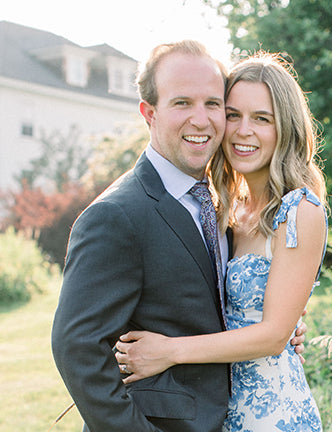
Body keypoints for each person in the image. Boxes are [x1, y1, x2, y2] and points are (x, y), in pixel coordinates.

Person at [51, 41, 306, 432]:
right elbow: (78, 350)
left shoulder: (221, 204)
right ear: (149, 113)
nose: (201, 120)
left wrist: (277, 324)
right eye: (182, 103)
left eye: (213, 103)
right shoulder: (116, 215)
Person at [114, 51, 327, 431]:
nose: (243, 130)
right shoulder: (226, 209)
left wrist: (169, 352)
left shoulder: (300, 211)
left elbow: (274, 335)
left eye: (262, 119)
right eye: (233, 115)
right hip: (221, 410)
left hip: (274, 414)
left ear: (286, 128)